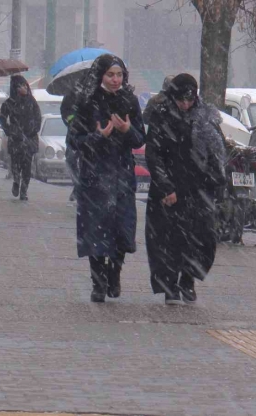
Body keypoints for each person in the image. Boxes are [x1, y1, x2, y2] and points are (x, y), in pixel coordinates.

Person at [68, 54, 146, 303]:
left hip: (122, 175)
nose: (115, 80)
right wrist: (97, 136)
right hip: (94, 176)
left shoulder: (130, 101)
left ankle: (115, 271)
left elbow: (140, 139)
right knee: (95, 233)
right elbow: (74, 141)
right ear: (101, 75)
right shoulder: (87, 101)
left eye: (119, 75)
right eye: (110, 75)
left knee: (122, 231)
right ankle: (98, 282)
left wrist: (126, 130)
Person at [144, 73, 226, 305]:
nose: (185, 105)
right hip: (169, 191)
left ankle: (188, 278)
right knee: (167, 240)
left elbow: (216, 155)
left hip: (198, 190)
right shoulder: (162, 118)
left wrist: (215, 183)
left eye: (190, 100)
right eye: (181, 99)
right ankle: (170, 284)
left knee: (201, 238)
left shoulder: (206, 119)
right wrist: (166, 186)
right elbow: (154, 154)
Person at [0, 75, 42, 200]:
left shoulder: (31, 101)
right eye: (20, 86)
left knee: (27, 166)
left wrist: (33, 131)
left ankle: (24, 190)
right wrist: (9, 130)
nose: (23, 88)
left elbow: (37, 117)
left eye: (24, 85)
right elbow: (2, 118)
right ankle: (16, 180)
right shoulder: (9, 103)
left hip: (29, 138)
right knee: (15, 163)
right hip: (16, 138)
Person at [61, 89, 79, 203]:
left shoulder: (96, 92)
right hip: (74, 135)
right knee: (70, 161)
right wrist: (73, 119)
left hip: (91, 135)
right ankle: (78, 185)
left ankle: (81, 189)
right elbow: (65, 112)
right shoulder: (70, 95)